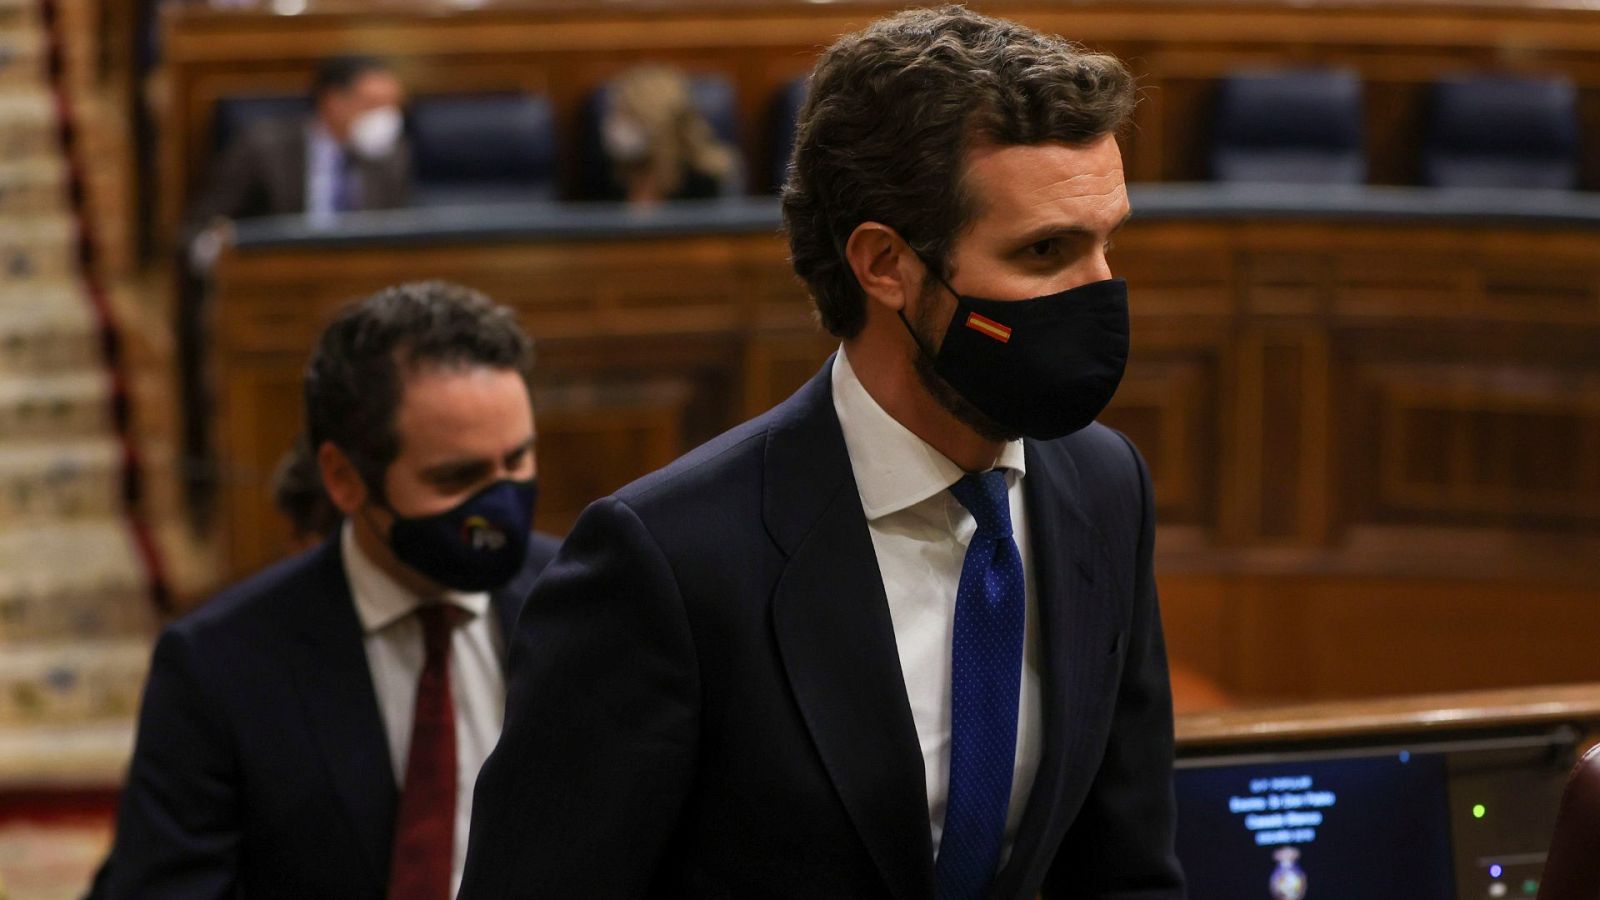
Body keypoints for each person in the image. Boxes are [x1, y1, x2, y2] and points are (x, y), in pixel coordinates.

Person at [462, 7, 1183, 900]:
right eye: (1046, 251)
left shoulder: (1106, 487)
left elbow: (1125, 870)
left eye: (1109, 243)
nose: (1101, 294)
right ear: (885, 265)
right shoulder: (668, 565)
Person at [106, 281, 560, 899]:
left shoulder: (585, 604)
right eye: (459, 477)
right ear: (345, 479)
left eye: (518, 461)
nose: (502, 505)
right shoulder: (216, 666)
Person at [186, 54, 411, 232]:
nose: (386, 117)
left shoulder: (393, 154)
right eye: (373, 104)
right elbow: (202, 227)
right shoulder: (262, 148)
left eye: (393, 105)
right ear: (333, 101)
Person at [595, 63, 739, 204]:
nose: (614, 124)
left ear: (655, 122)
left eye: (625, 114)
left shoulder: (711, 177)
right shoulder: (606, 170)